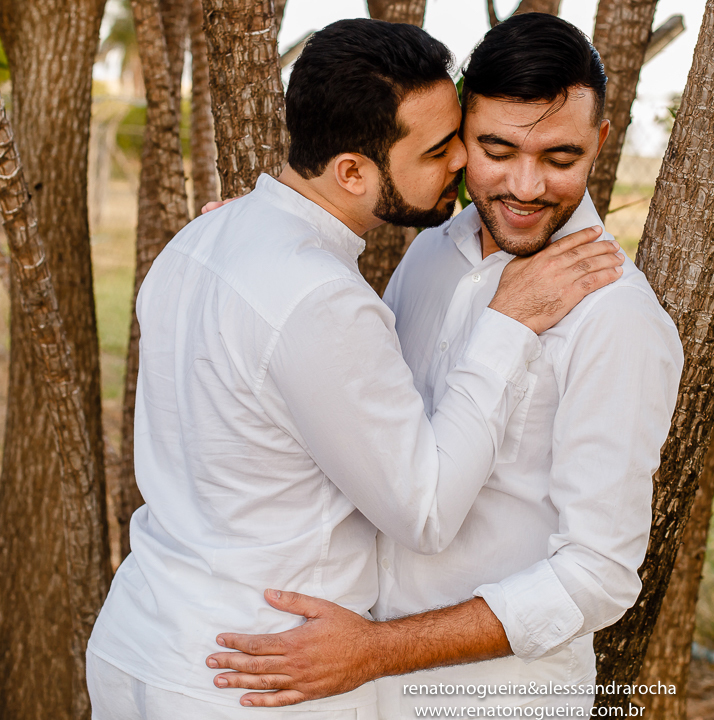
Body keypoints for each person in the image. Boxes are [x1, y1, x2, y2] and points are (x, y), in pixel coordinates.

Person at [85, 18, 624, 720]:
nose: (462, 161)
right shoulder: (320, 297)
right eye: (439, 149)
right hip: (261, 672)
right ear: (351, 172)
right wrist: (508, 326)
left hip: (140, 642)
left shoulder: (201, 238)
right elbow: (424, 512)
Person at [206, 13, 683, 717]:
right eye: (497, 149)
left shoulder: (616, 318)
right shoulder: (433, 248)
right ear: (459, 133)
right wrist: (257, 245)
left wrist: (379, 649)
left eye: (560, 158)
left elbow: (599, 575)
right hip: (355, 683)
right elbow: (363, 407)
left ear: (601, 142)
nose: (526, 186)